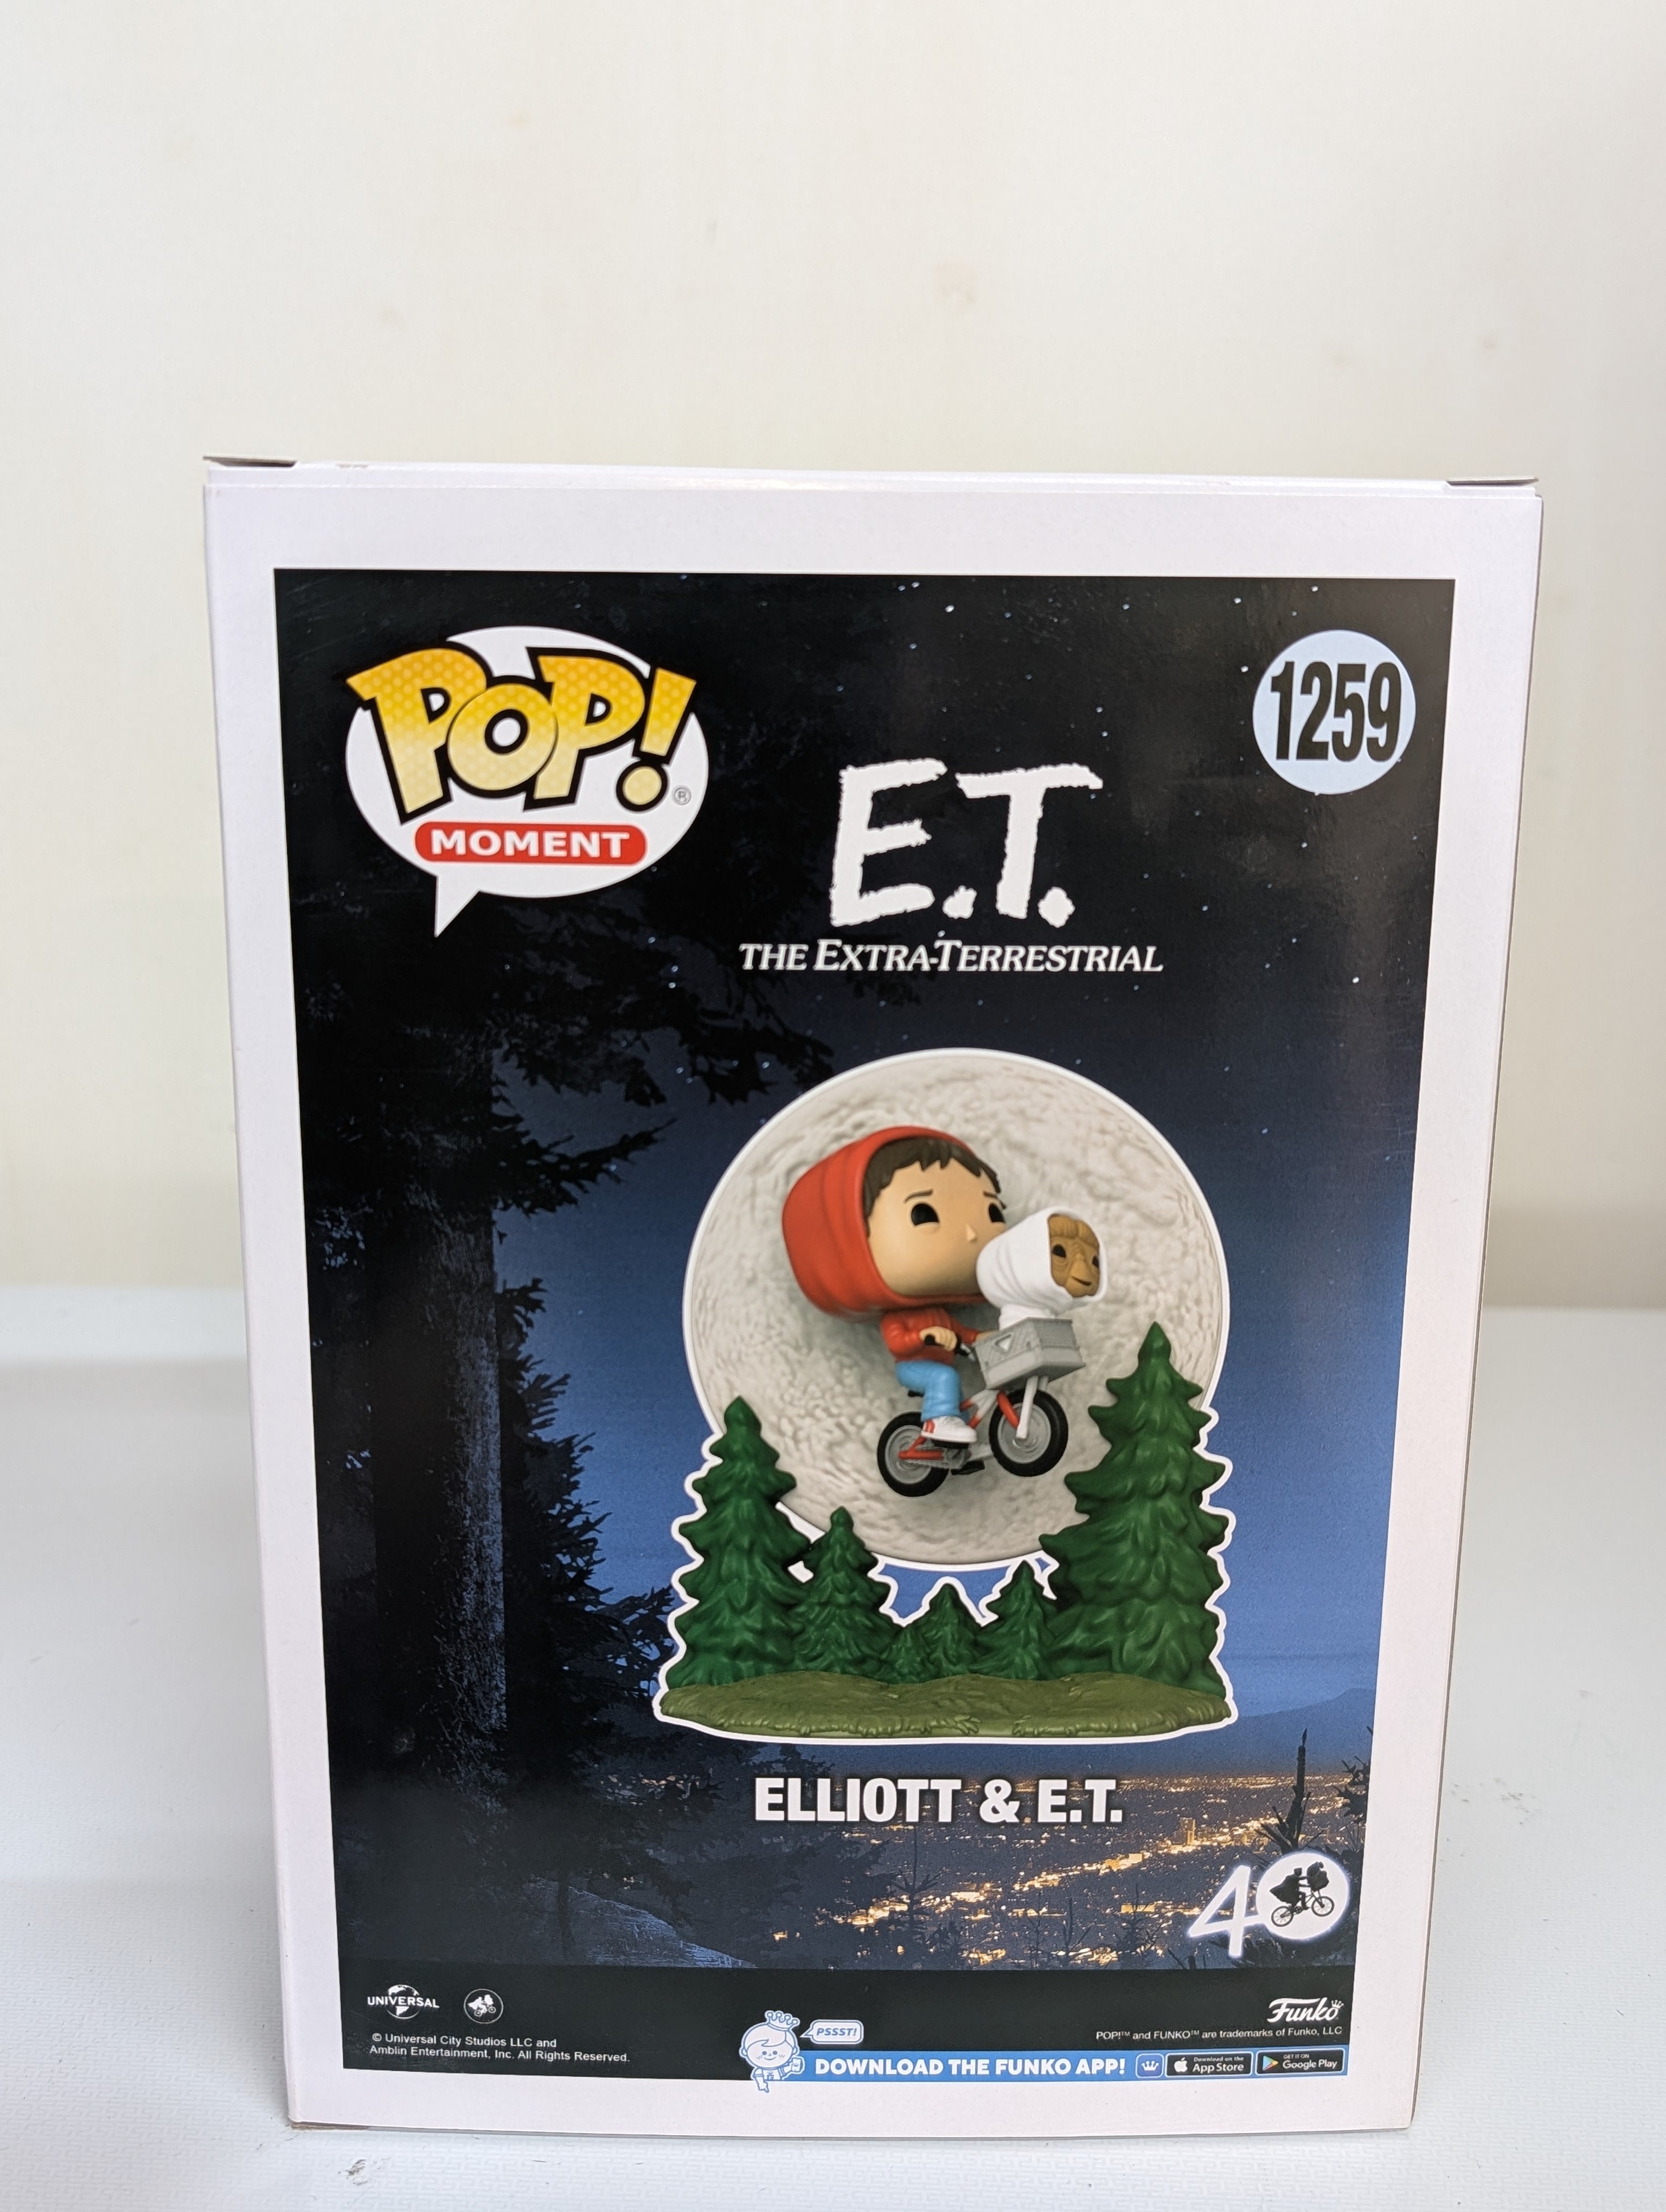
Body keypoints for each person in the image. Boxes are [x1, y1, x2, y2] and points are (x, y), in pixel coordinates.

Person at [781, 1126, 1007, 1445]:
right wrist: (924, 1336)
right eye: (923, 1213)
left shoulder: (939, 1313)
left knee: (954, 1392)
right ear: (852, 1237)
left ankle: (949, 1443)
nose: (972, 1234)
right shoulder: (900, 1317)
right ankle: (936, 1425)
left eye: (993, 1212)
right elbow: (898, 1343)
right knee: (945, 1378)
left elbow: (960, 1332)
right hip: (914, 1367)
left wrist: (980, 1337)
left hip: (937, 1362)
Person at [976, 1207, 1102, 1327]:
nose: (1085, 1269)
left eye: (1095, 1262)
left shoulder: (1050, 1322)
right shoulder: (1018, 1325)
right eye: (1060, 1253)